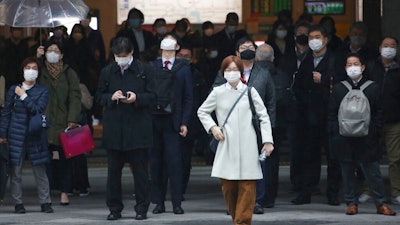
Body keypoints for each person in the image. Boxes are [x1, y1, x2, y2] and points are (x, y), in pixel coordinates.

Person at [197, 55, 274, 225]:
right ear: (222, 72)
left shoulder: (249, 91)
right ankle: (237, 219)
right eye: (228, 70)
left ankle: (242, 222)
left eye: (234, 70)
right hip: (227, 144)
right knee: (228, 187)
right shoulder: (217, 92)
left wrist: (268, 141)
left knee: (248, 187)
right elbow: (202, 111)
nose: (231, 73)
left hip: (248, 144)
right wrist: (213, 127)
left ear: (241, 72)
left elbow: (263, 116)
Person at [328, 53, 396, 216]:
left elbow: (380, 112)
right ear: (345, 68)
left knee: (372, 171)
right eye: (349, 64)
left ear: (363, 67)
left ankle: (381, 203)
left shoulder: (373, 87)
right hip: (344, 137)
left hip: (367, 137)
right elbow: (331, 113)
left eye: (356, 64)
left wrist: (374, 131)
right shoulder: (339, 88)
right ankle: (351, 203)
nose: (353, 67)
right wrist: (335, 131)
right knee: (347, 170)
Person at [96, 37, 155, 221]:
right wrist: (110, 97)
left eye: (124, 56)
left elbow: (154, 96)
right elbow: (98, 95)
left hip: (138, 129)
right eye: (117, 56)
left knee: (140, 173)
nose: (121, 59)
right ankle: (114, 208)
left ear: (131, 53)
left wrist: (137, 98)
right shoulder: (107, 71)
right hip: (115, 130)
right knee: (113, 174)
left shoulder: (144, 70)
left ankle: (142, 208)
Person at [291, 25, 342, 206]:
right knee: (309, 156)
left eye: (317, 36)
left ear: (325, 39)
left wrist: (325, 79)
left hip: (330, 116)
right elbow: (298, 86)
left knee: (333, 156)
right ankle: (306, 192)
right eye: (311, 37)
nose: (313, 40)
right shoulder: (306, 60)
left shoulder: (334, 59)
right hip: (309, 116)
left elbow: (342, 82)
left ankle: (333, 193)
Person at [0, 57, 53, 214]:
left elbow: (37, 109)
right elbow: (6, 113)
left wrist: (23, 96)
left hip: (35, 134)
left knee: (40, 169)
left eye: (34, 68)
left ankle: (45, 202)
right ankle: (18, 203)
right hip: (15, 133)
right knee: (15, 170)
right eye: (28, 67)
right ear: (23, 70)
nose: (31, 70)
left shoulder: (42, 91)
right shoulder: (13, 90)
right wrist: (3, 133)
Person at [150, 33, 193, 215]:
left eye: (171, 48)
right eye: (164, 49)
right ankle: (158, 202)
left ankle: (177, 202)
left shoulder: (183, 68)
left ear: (177, 48)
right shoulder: (152, 67)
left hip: (174, 121)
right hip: (154, 120)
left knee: (175, 163)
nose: (167, 52)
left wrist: (184, 121)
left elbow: (188, 97)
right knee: (156, 164)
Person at [36, 41, 82, 206]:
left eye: (56, 50)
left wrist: (73, 118)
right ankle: (45, 192)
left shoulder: (69, 73)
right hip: (44, 121)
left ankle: (64, 191)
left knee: (65, 159)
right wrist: (37, 58)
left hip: (64, 121)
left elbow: (75, 97)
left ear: (62, 55)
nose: (52, 53)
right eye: (49, 50)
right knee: (44, 159)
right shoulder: (40, 70)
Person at [365, 37, 400, 205]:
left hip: (394, 121)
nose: (389, 49)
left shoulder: (398, 69)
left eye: (392, 46)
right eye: (386, 45)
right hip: (372, 120)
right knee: (371, 157)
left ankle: (396, 191)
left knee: (395, 158)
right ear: (379, 47)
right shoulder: (371, 67)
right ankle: (368, 189)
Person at [176, 45, 208, 198]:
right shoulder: (168, 73)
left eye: (187, 56)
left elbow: (203, 101)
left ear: (192, 59)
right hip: (170, 121)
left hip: (190, 123)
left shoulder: (197, 76)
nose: (183, 59)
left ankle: (180, 190)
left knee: (184, 160)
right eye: (181, 56)